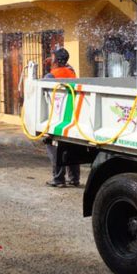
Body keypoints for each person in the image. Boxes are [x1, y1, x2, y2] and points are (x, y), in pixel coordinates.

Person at [44, 48, 80, 187]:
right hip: (72, 114)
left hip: (57, 115)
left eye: (52, 58)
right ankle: (74, 178)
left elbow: (44, 95)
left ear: (56, 61)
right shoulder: (72, 72)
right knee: (71, 146)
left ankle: (58, 179)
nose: (50, 60)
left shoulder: (51, 76)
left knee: (53, 146)